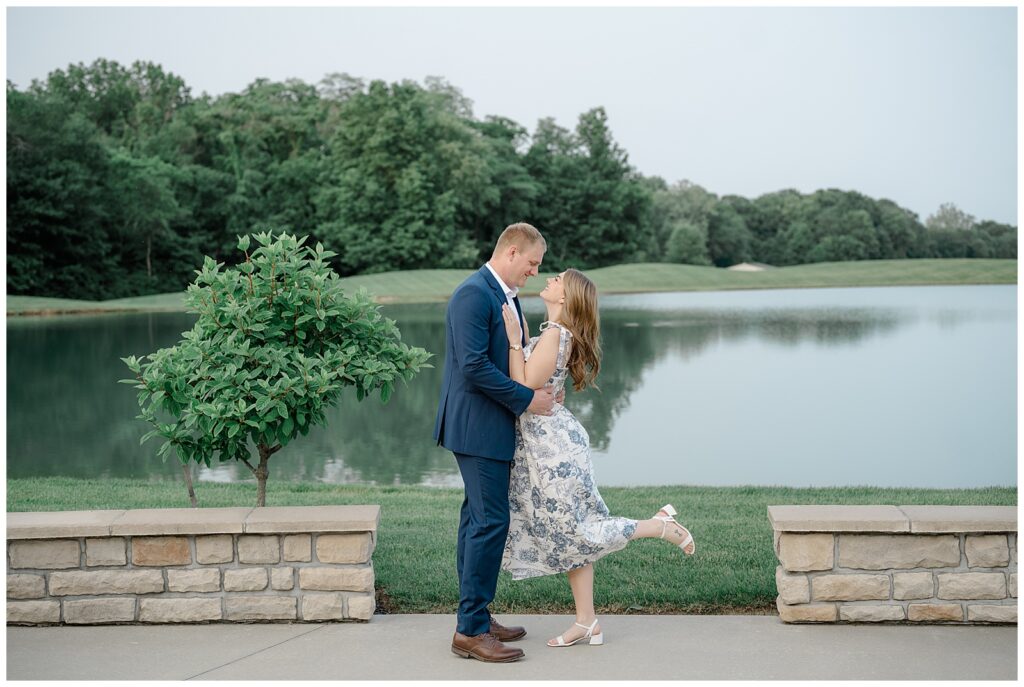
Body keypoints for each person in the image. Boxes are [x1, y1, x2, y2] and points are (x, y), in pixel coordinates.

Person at [500, 268, 696, 648]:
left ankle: (657, 526)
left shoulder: (556, 334)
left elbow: (522, 384)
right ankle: (587, 622)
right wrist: (520, 336)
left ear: (566, 297)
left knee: (577, 531)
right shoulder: (553, 332)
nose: (551, 279)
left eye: (558, 279)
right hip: (549, 445)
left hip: (553, 451)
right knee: (575, 531)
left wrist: (512, 343)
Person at [433, 222, 557, 663]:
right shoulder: (473, 294)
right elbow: (472, 367)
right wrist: (526, 399)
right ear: (511, 251)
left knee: (477, 521)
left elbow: (506, 358)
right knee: (490, 523)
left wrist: (538, 384)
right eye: (532, 263)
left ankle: (477, 617)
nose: (534, 272)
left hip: (490, 425)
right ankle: (469, 631)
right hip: (476, 427)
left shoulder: (505, 295)